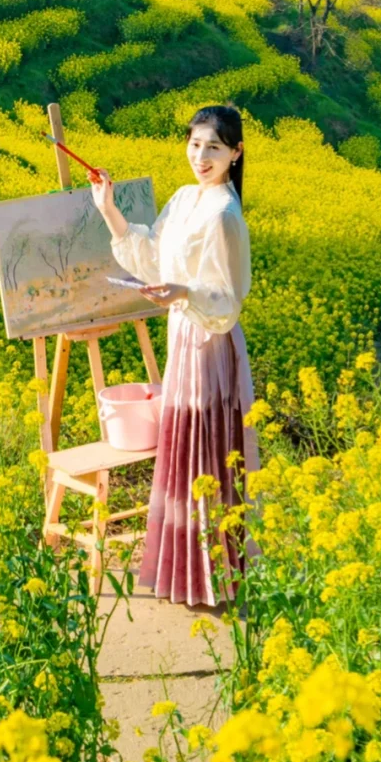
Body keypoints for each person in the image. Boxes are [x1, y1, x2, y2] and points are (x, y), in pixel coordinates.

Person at [89, 104, 256, 608]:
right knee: (186, 450)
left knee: (205, 451)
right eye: (194, 144)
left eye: (213, 148)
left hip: (208, 343)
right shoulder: (185, 198)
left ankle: (217, 576)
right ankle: (190, 574)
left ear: (235, 153)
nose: (200, 156)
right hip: (183, 336)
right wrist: (108, 209)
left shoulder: (226, 214)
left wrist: (182, 292)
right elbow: (150, 255)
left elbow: (229, 299)